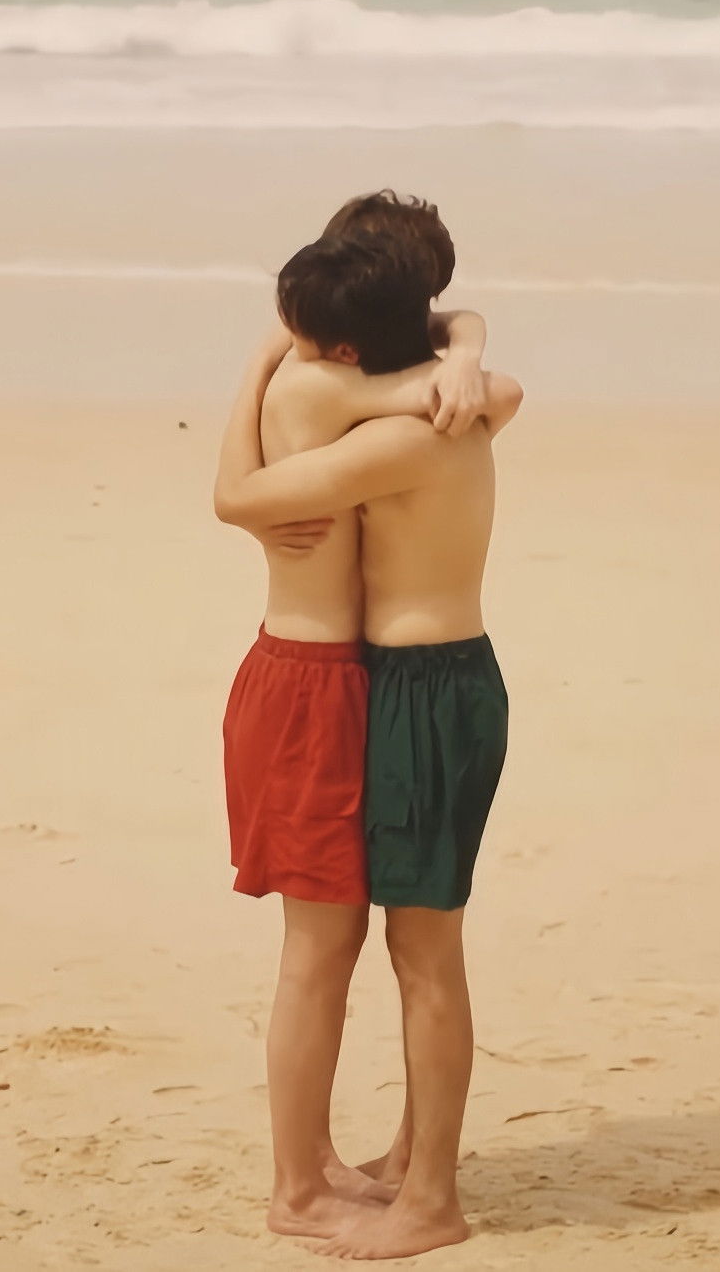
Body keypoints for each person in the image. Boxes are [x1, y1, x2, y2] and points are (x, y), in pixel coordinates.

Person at [216, 216, 522, 1259]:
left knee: (415, 952)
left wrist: (260, 364)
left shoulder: (384, 423)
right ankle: (384, 1169)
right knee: (389, 949)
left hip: (419, 689)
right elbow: (494, 379)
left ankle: (424, 1195)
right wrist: (466, 352)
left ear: (343, 340)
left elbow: (236, 497)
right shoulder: (439, 397)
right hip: (392, 683)